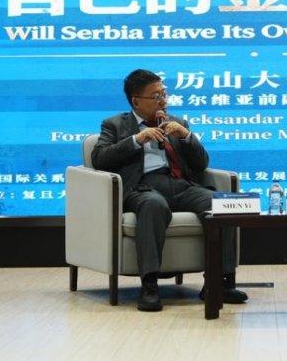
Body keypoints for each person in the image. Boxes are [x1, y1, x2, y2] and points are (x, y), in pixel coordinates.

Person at [91, 69, 248, 312]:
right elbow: (99, 158)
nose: (163, 101)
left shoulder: (177, 123)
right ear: (136, 101)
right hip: (142, 187)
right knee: (154, 205)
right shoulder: (114, 125)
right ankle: (150, 286)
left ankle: (219, 283)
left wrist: (186, 136)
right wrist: (137, 140)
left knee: (221, 205)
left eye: (164, 94)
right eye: (156, 96)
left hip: (181, 185)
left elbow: (201, 164)